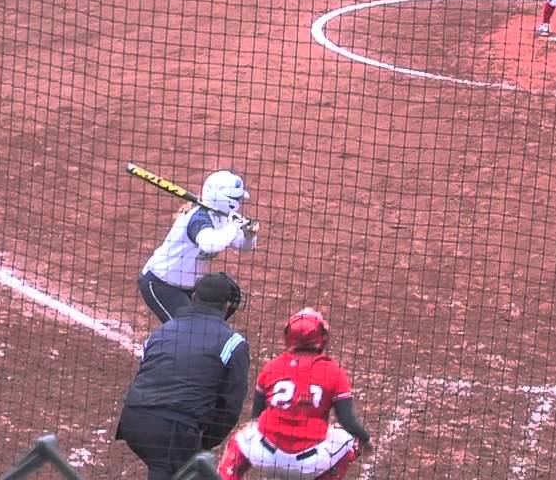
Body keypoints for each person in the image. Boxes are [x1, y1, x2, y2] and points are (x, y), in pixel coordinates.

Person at [116, 272, 252, 480]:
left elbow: (146, 373)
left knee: (169, 467)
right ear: (226, 307)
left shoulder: (161, 332)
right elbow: (230, 406)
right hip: (173, 430)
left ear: (194, 298)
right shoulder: (233, 343)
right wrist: (204, 442)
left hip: (132, 421)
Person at [216, 308, 372, 480]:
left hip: (266, 457)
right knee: (351, 439)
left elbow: (256, 416)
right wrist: (366, 439)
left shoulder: (273, 366)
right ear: (322, 338)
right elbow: (347, 420)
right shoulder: (334, 371)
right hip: (311, 464)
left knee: (239, 440)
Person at [140, 170, 259, 323]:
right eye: (236, 198)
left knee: (199, 330)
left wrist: (249, 235)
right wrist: (234, 226)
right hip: (162, 284)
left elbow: (243, 245)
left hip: (190, 288)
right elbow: (210, 244)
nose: (239, 202)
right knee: (186, 331)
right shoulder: (198, 218)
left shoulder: (222, 217)